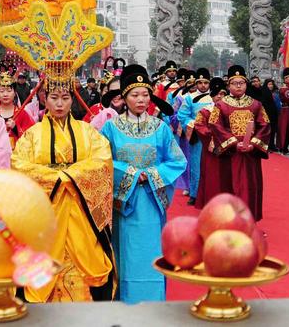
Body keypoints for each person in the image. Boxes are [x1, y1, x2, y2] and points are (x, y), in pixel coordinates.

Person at [11, 69, 115, 302]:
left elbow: (102, 161)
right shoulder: (32, 135)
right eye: (54, 98)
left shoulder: (88, 132)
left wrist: (67, 176)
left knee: (89, 261)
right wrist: (61, 178)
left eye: (65, 98)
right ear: (44, 98)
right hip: (46, 213)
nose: (59, 104)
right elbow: (19, 165)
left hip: (80, 212)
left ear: (73, 99)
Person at [99, 65, 185, 303]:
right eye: (135, 95)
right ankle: (124, 302)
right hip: (124, 203)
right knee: (126, 254)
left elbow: (177, 161)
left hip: (152, 200)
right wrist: (131, 173)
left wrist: (153, 174)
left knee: (152, 251)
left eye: (145, 94)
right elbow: (103, 160)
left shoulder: (160, 128)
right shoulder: (110, 128)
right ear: (124, 98)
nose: (141, 100)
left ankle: (154, 302)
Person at [193, 65, 270, 219]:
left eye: (242, 82)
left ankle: (248, 220)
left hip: (249, 154)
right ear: (228, 85)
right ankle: (228, 221)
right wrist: (234, 143)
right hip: (229, 154)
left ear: (246, 84)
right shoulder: (221, 105)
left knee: (249, 186)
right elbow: (215, 125)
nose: (239, 86)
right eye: (235, 83)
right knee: (228, 185)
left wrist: (253, 144)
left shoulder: (256, 104)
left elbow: (265, 125)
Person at [176, 69, 215, 204]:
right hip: (197, 136)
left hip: (213, 136)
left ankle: (211, 193)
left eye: (206, 82)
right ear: (196, 83)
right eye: (200, 82)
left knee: (213, 165)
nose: (203, 85)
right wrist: (196, 125)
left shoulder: (214, 98)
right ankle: (194, 193)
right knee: (195, 165)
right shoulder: (190, 98)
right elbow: (182, 116)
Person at [0, 73, 34, 144]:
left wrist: (15, 128)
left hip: (16, 153)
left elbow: (30, 137)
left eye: (9, 91)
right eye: (1, 91)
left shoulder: (22, 113)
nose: (5, 94)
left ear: (14, 93)